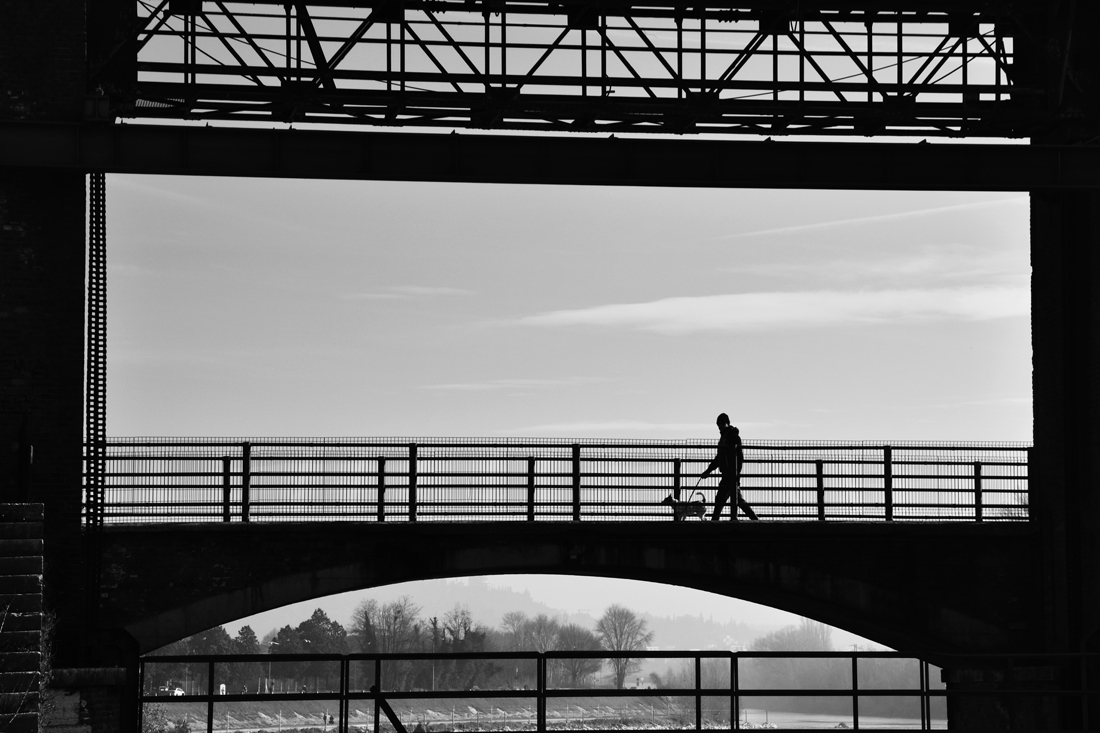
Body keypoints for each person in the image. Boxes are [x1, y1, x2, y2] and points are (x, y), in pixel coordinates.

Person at [701, 413, 759, 521]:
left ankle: (715, 522)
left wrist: (709, 470)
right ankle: (753, 520)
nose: (719, 427)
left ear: (726, 423)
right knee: (737, 500)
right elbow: (724, 458)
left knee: (721, 500)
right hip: (731, 474)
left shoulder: (729, 438)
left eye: (721, 425)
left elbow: (725, 458)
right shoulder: (728, 437)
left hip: (729, 474)